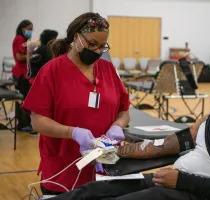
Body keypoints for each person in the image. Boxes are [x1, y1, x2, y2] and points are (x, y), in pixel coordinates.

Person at [49, 60, 210, 200]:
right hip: (173, 180)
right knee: (95, 190)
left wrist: (182, 182)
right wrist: (116, 151)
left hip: (193, 191)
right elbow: (168, 145)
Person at [23, 12, 130, 194]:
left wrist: (118, 125)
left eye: (102, 46)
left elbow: (124, 110)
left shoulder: (108, 69)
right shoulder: (52, 71)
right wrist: (72, 132)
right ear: (76, 38)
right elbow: (37, 120)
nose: (97, 51)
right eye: (91, 44)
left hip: (104, 169)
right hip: (63, 173)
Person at [12, 19, 34, 132]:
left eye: (32, 29)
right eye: (29, 29)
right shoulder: (19, 39)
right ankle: (23, 124)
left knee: (23, 98)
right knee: (23, 99)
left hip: (23, 73)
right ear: (22, 28)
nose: (30, 31)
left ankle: (22, 123)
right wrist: (31, 56)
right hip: (21, 74)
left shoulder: (24, 40)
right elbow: (19, 57)